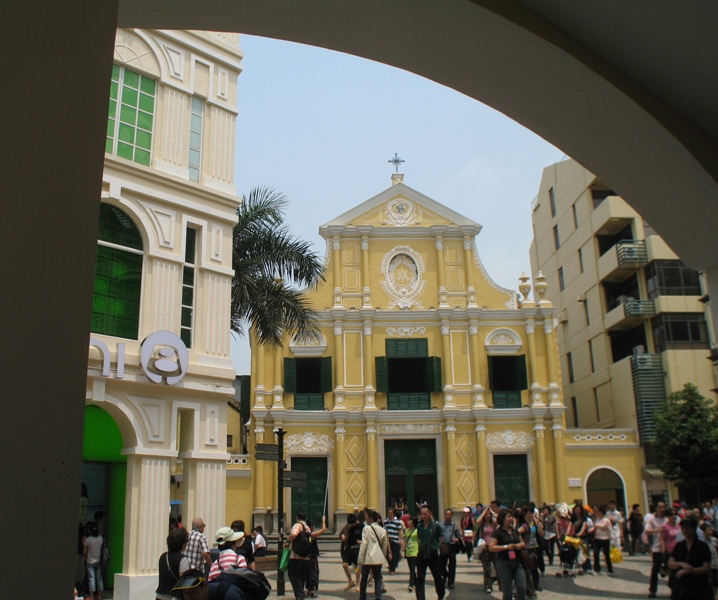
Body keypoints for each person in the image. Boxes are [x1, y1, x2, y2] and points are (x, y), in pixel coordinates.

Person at [668, 516, 714, 600]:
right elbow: (670, 563)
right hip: (681, 586)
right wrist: (681, 564)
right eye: (683, 527)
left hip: (699, 586)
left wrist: (690, 570)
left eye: (688, 527)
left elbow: (706, 567)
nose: (686, 530)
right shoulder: (679, 545)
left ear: (694, 528)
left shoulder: (702, 546)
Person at [489, 508, 527, 600]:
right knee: (507, 590)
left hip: (517, 562)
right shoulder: (498, 533)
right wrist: (506, 547)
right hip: (504, 562)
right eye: (509, 517)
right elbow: (491, 547)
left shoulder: (515, 531)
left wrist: (518, 545)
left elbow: (523, 543)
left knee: (522, 588)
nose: (511, 519)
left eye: (512, 517)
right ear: (502, 519)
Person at [415, 505, 446, 600]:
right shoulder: (419, 526)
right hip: (422, 552)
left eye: (425, 514)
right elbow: (420, 538)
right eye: (422, 514)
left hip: (433, 553)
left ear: (430, 514)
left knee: (437, 575)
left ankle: (441, 595)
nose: (423, 516)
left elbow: (441, 539)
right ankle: (420, 597)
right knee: (420, 577)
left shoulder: (436, 525)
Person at [358, 510, 389, 600]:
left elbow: (364, 544)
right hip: (377, 557)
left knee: (364, 578)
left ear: (371, 518)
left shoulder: (366, 529)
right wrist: (382, 556)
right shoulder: (382, 530)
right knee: (378, 578)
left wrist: (360, 559)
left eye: (367, 516)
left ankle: (362, 597)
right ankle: (378, 597)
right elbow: (384, 545)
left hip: (368, 557)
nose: (365, 518)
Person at [156, 527, 190, 600]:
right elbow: (184, 582)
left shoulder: (163, 557)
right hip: (174, 597)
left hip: (160, 596)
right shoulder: (182, 559)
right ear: (182, 543)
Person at [287, 511, 312, 600]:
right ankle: (301, 594)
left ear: (297, 518)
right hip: (306, 556)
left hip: (296, 556)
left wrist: (288, 541)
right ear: (305, 518)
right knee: (302, 576)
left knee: (293, 575)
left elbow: (293, 534)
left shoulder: (298, 525)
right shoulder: (308, 528)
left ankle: (300, 595)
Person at [645, 500, 667, 598]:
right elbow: (647, 530)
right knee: (655, 570)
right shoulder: (652, 519)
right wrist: (657, 530)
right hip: (657, 548)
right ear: (656, 509)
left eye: (664, 507)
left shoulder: (668, 518)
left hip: (669, 548)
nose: (662, 509)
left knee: (671, 570)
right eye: (660, 507)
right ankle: (652, 590)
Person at [476, 505, 498, 593]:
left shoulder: (494, 523)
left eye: (489, 514)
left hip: (494, 547)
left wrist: (493, 512)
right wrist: (484, 512)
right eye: (486, 514)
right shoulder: (482, 524)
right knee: (487, 569)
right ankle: (488, 586)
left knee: (498, 567)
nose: (488, 515)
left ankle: (501, 584)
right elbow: (477, 521)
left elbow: (500, 520)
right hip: (485, 548)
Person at [305, 516, 327, 598]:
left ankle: (309, 589)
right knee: (313, 573)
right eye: (313, 526)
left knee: (309, 573)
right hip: (312, 557)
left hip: (307, 557)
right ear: (311, 527)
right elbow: (324, 529)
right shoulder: (312, 535)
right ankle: (310, 591)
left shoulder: (306, 534)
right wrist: (323, 521)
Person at [340, 514, 363, 591]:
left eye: (352, 524)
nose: (351, 525)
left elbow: (366, 537)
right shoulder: (348, 526)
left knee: (357, 568)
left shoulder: (362, 526)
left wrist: (362, 542)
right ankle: (350, 581)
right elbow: (341, 534)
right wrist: (342, 536)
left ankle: (358, 584)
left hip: (358, 548)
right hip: (348, 548)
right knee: (345, 565)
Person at [440, 508, 461, 589]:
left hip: (452, 546)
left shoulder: (455, 525)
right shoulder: (441, 525)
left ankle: (451, 582)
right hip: (443, 546)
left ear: (451, 515)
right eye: (446, 514)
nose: (447, 516)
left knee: (452, 565)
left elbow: (459, 536)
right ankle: (445, 575)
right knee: (441, 565)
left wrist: (457, 539)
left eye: (449, 514)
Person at [84, 522, 105, 600]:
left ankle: (91, 596)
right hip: (98, 561)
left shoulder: (88, 540)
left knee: (91, 579)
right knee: (99, 578)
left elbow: (84, 552)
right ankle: (99, 596)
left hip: (90, 562)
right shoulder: (100, 538)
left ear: (90, 531)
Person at [592, 505, 613, 575]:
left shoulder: (606, 520)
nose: (596, 513)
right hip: (597, 539)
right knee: (596, 553)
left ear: (601, 512)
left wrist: (612, 540)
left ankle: (610, 570)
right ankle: (597, 569)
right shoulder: (597, 520)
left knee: (606, 555)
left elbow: (608, 529)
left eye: (597, 511)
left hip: (605, 539)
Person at [699, 522, 718, 598]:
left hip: (715, 564)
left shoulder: (714, 540)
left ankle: (715, 596)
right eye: (709, 530)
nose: (711, 531)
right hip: (706, 565)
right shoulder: (701, 542)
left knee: (715, 583)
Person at [401, 517, 420, 592]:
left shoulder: (417, 531)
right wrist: (401, 550)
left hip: (415, 552)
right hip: (408, 552)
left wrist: (420, 550)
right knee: (411, 569)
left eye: (409, 521)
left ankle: (411, 584)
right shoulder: (406, 531)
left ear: (413, 522)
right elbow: (405, 541)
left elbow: (419, 541)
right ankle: (415, 582)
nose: (408, 522)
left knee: (412, 569)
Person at [384, 508, 405, 574]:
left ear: (394, 514)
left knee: (395, 555)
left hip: (395, 540)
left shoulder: (397, 521)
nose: (389, 514)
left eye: (391, 513)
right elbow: (384, 530)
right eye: (388, 513)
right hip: (388, 540)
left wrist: (400, 540)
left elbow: (399, 531)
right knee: (387, 554)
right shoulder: (385, 521)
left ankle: (392, 569)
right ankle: (391, 565)